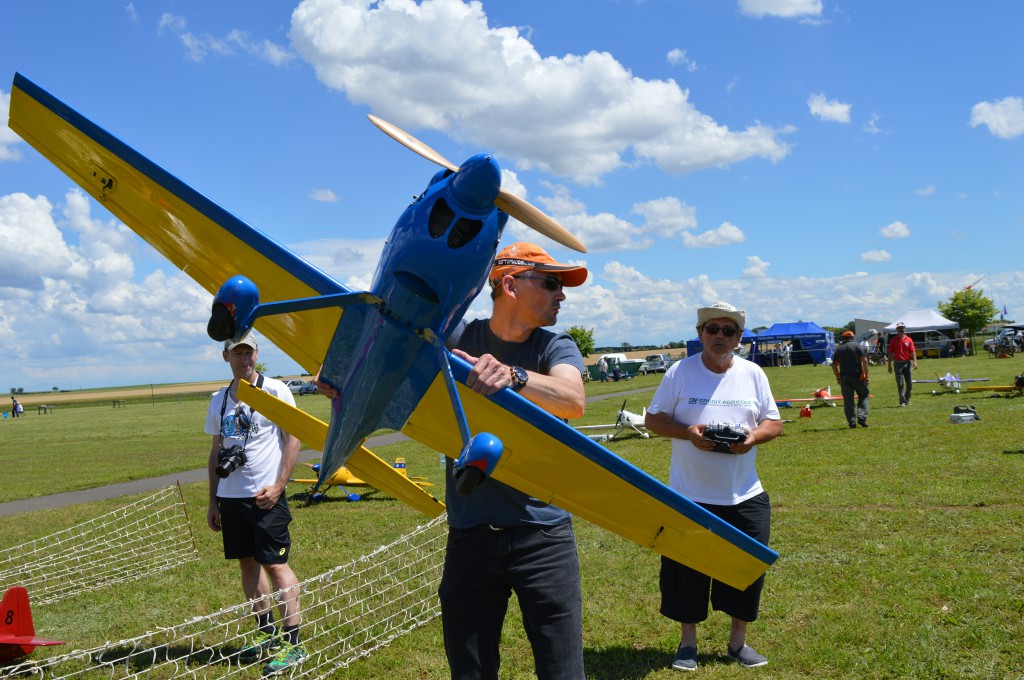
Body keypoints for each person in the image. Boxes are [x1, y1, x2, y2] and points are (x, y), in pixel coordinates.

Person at [440, 241, 589, 680]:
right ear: (510, 284)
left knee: (563, 671)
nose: (561, 295)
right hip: (470, 535)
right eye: (551, 283)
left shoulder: (554, 345)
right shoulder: (458, 338)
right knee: (471, 671)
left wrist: (514, 375)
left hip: (542, 535)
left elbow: (573, 399)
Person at [644, 301, 782, 671]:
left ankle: (738, 644)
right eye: (713, 329)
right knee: (685, 571)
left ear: (738, 338)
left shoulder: (753, 373)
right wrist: (687, 433)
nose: (720, 336)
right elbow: (653, 419)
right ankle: (687, 645)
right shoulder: (679, 372)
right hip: (690, 495)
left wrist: (752, 438)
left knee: (746, 568)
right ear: (700, 333)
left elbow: (774, 422)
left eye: (728, 331)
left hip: (745, 494)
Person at [204, 334, 308, 675]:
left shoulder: (276, 390)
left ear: (256, 355)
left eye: (248, 352)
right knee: (247, 566)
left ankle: (293, 645)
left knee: (276, 566)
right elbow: (216, 450)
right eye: (237, 353)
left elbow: (293, 439)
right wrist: (213, 499)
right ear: (226, 357)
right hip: (231, 499)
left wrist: (280, 486)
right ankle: (267, 636)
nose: (243, 358)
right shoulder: (219, 399)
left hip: (266, 498)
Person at [833, 330, 870, 428]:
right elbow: (865, 362)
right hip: (858, 376)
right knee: (864, 395)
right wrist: (866, 376)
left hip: (844, 377)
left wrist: (838, 378)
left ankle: (852, 422)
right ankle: (862, 417)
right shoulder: (858, 346)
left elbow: (834, 365)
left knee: (848, 401)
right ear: (853, 337)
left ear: (843, 338)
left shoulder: (839, 349)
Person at [886, 322, 918, 407]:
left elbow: (913, 352)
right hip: (897, 364)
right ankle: (903, 402)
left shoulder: (909, 339)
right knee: (900, 384)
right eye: (899, 328)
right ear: (896, 329)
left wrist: (915, 362)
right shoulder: (893, 340)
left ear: (905, 329)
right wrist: (889, 365)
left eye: (902, 328)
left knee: (909, 384)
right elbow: (890, 354)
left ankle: (907, 398)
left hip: (907, 364)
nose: (901, 329)